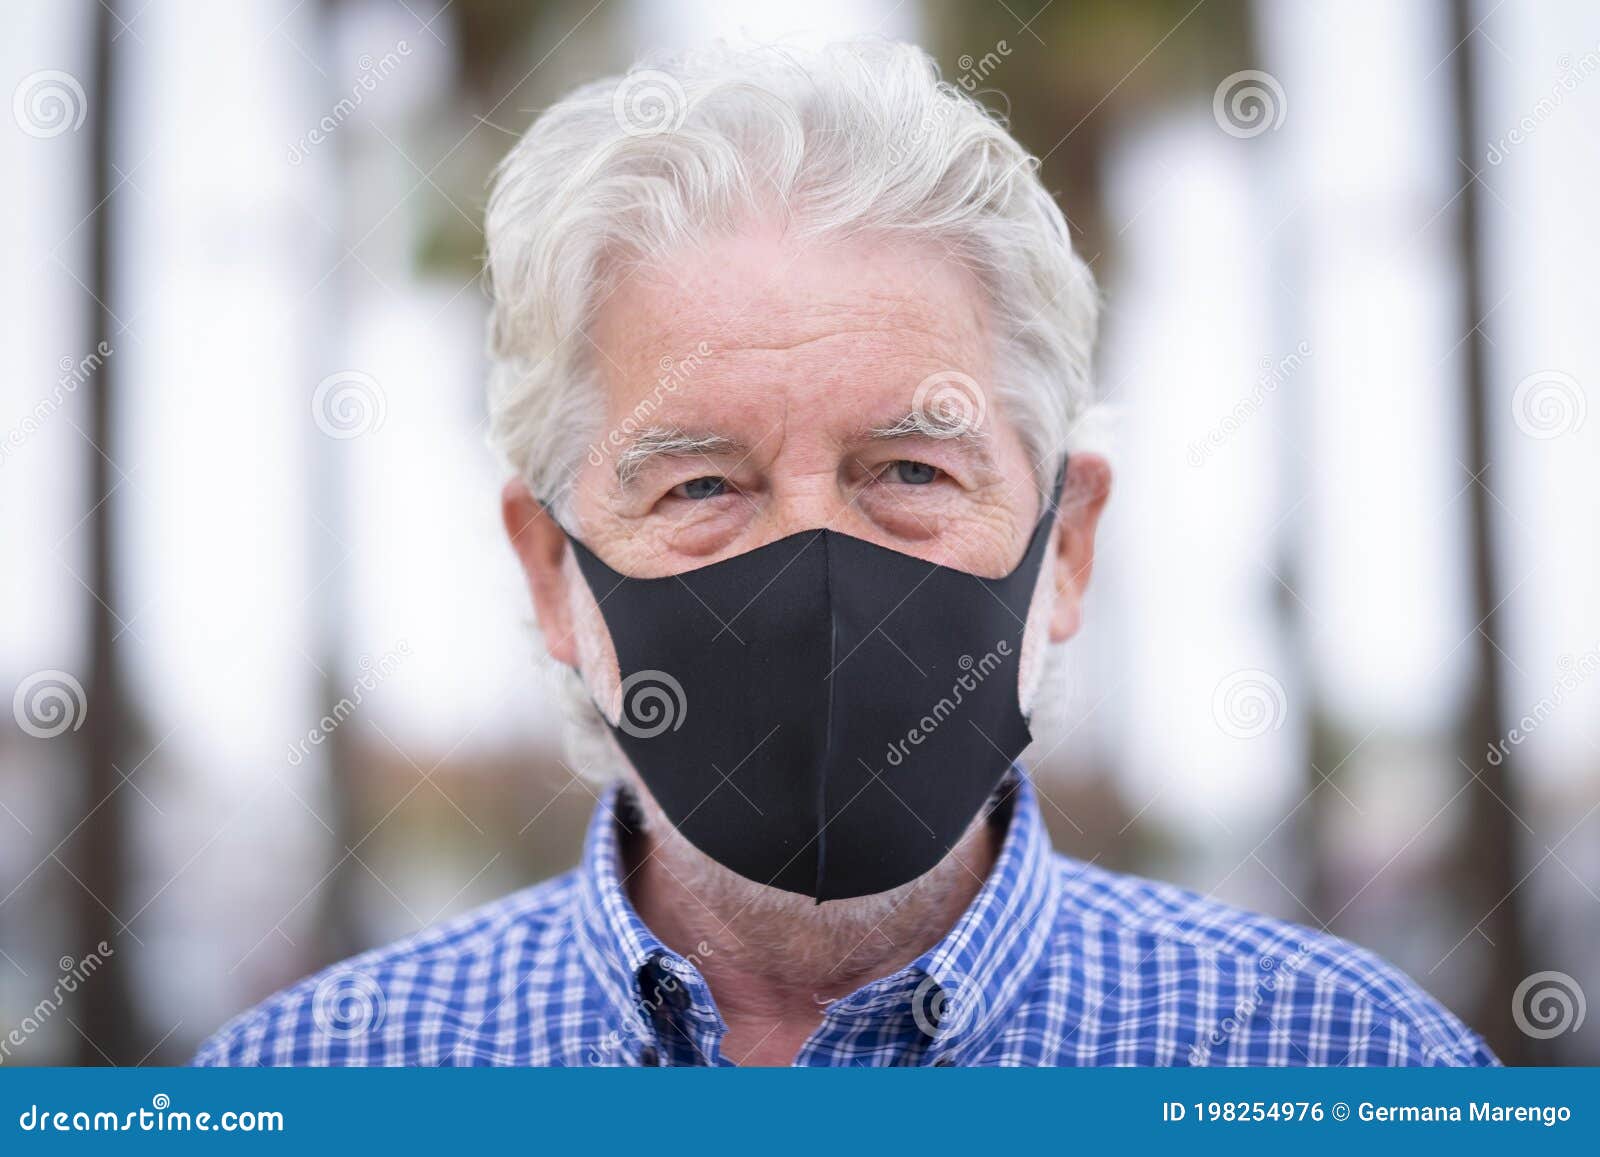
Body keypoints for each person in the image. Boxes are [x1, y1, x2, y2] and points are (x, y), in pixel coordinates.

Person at [195, 39, 1496, 1067]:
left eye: (910, 471)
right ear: (551, 569)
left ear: (1068, 545)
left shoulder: (1343, 1067)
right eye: (704, 482)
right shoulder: (311, 1083)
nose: (816, 569)